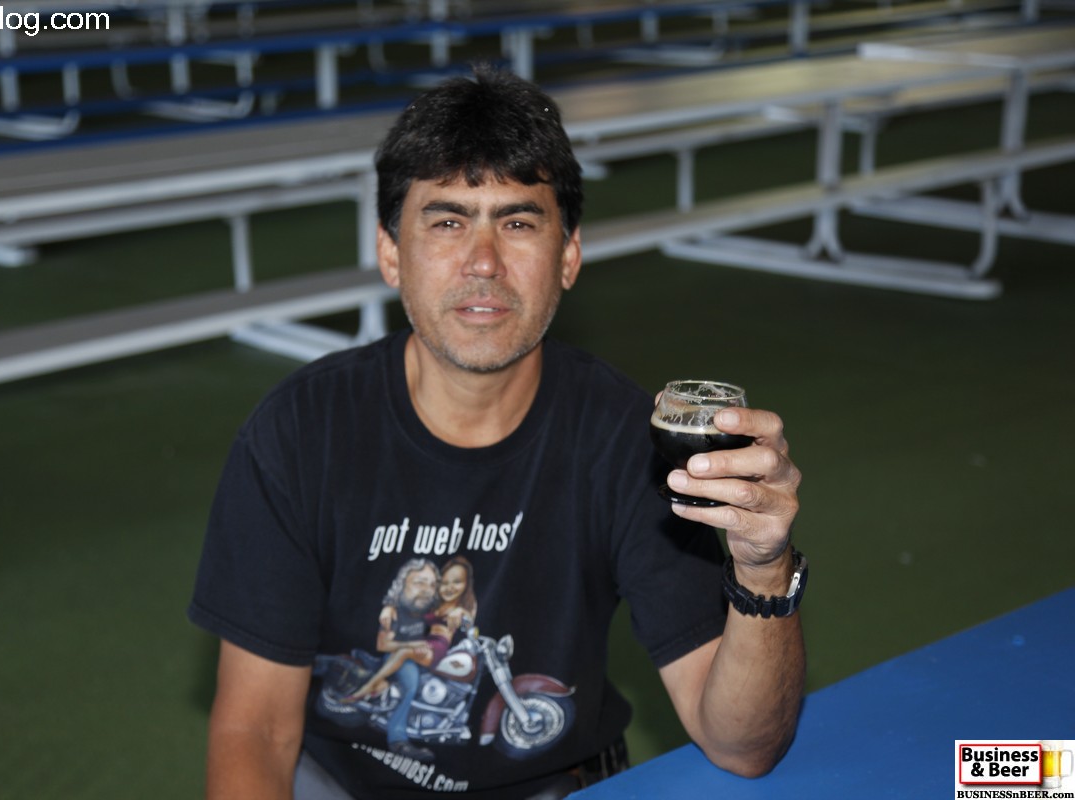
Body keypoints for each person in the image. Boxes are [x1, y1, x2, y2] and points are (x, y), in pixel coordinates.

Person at [189, 64, 805, 800]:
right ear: (390, 253)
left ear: (568, 255)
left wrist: (763, 570)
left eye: (518, 223)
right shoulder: (298, 433)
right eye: (447, 221)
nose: (483, 262)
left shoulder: (624, 442)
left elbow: (743, 747)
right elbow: (255, 733)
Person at [347, 556, 478, 706]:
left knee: (404, 652)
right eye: (444, 583)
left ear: (466, 584)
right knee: (401, 652)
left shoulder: (461, 608)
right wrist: (389, 606)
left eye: (457, 582)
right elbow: (412, 607)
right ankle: (382, 690)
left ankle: (369, 686)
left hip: (439, 646)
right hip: (425, 641)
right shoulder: (436, 603)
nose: (450, 587)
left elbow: (469, 628)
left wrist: (462, 613)